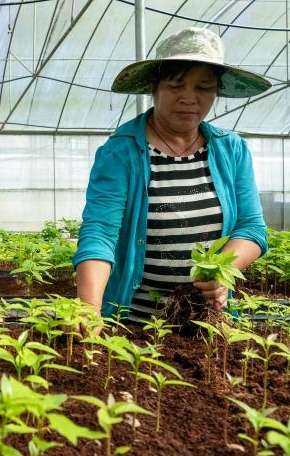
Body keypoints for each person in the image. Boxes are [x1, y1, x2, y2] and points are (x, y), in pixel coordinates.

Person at [73, 27, 270, 323]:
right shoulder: (121, 153)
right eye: (176, 85)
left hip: (209, 321)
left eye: (203, 87)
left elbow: (251, 228)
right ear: (155, 86)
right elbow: (100, 233)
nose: (189, 98)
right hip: (134, 326)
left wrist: (219, 272)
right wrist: (88, 312)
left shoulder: (232, 150)